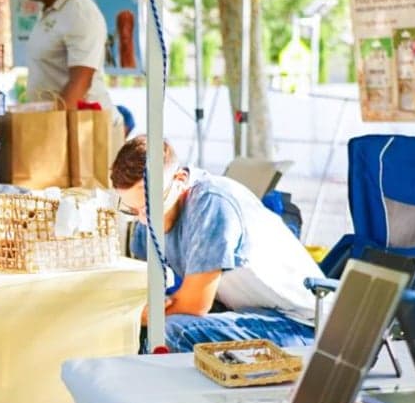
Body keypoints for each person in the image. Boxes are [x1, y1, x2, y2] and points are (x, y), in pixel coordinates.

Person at [111, 135, 318, 350]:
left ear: (180, 180)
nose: (144, 219)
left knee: (168, 329)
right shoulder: (148, 222)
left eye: (150, 206)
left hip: (296, 324)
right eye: (132, 210)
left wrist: (137, 315)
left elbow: (194, 304)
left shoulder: (211, 202)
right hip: (243, 312)